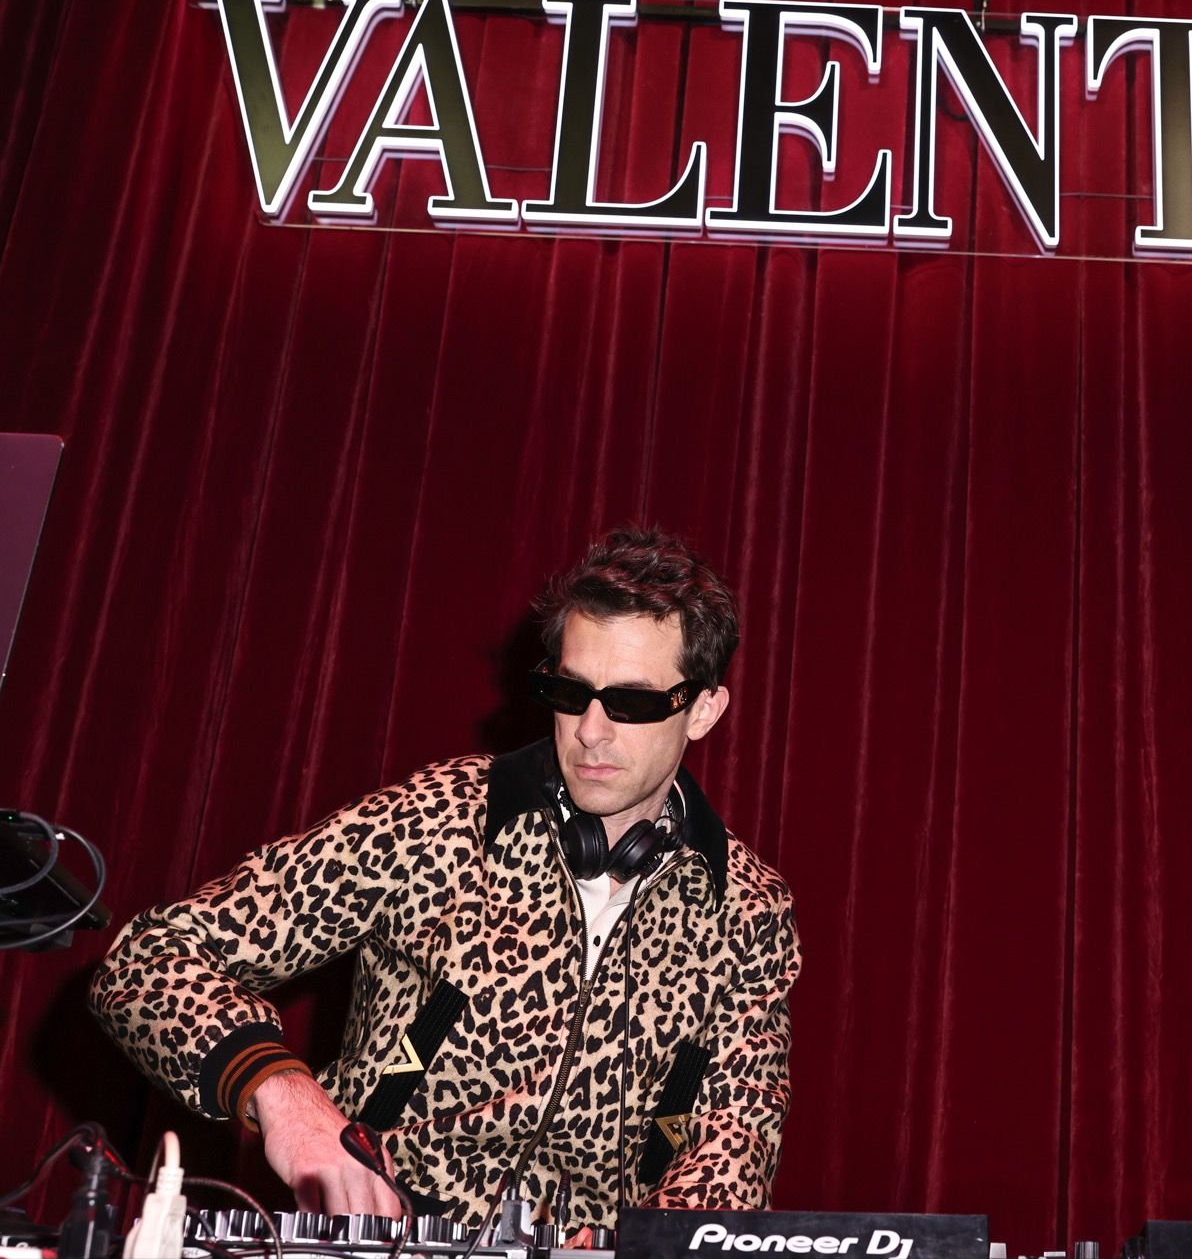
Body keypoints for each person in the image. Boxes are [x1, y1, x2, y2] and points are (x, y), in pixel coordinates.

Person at [89, 527, 800, 1232]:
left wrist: (635, 1246)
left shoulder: (749, 911)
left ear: (702, 709)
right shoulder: (436, 819)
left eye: (633, 703)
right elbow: (148, 961)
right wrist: (282, 1094)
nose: (591, 730)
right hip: (380, 1243)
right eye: (569, 691)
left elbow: (736, 1145)